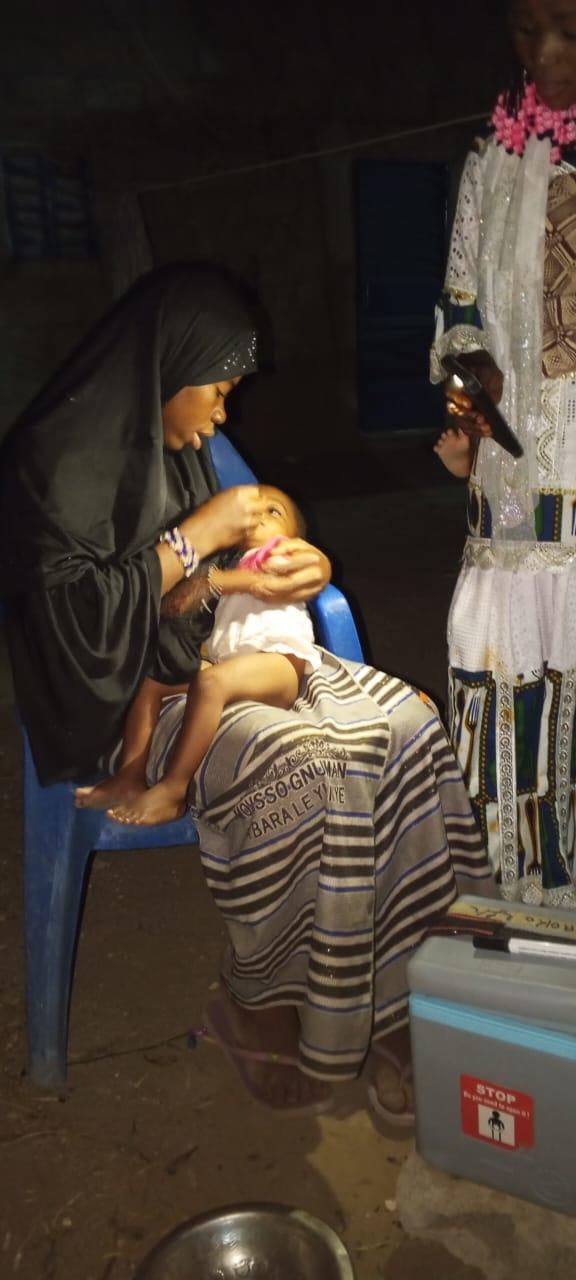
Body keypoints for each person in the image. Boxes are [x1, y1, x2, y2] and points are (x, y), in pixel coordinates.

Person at [0, 263, 495, 1120]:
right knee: (314, 766)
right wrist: (197, 539)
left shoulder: (187, 451)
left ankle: (402, 996)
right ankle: (262, 1006)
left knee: (411, 724)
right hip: (129, 708)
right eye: (218, 390)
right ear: (166, 367)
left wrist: (297, 570)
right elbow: (67, 627)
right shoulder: (47, 465)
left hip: (215, 661)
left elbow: (207, 590)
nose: (224, 414)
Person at [432, 0, 576, 907]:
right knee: (496, 655)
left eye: (568, 25)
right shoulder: (490, 161)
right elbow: (456, 312)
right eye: (527, 29)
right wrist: (466, 385)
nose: (547, 51)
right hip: (516, 481)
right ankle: (520, 886)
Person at [75, 485, 323, 825]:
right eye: (254, 510)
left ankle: (174, 789)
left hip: (279, 663)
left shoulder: (286, 550)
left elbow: (274, 580)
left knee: (210, 682)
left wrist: (214, 582)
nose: (260, 518)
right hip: (231, 666)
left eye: (274, 512)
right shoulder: (225, 562)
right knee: (154, 682)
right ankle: (129, 776)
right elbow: (185, 608)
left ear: (295, 533)